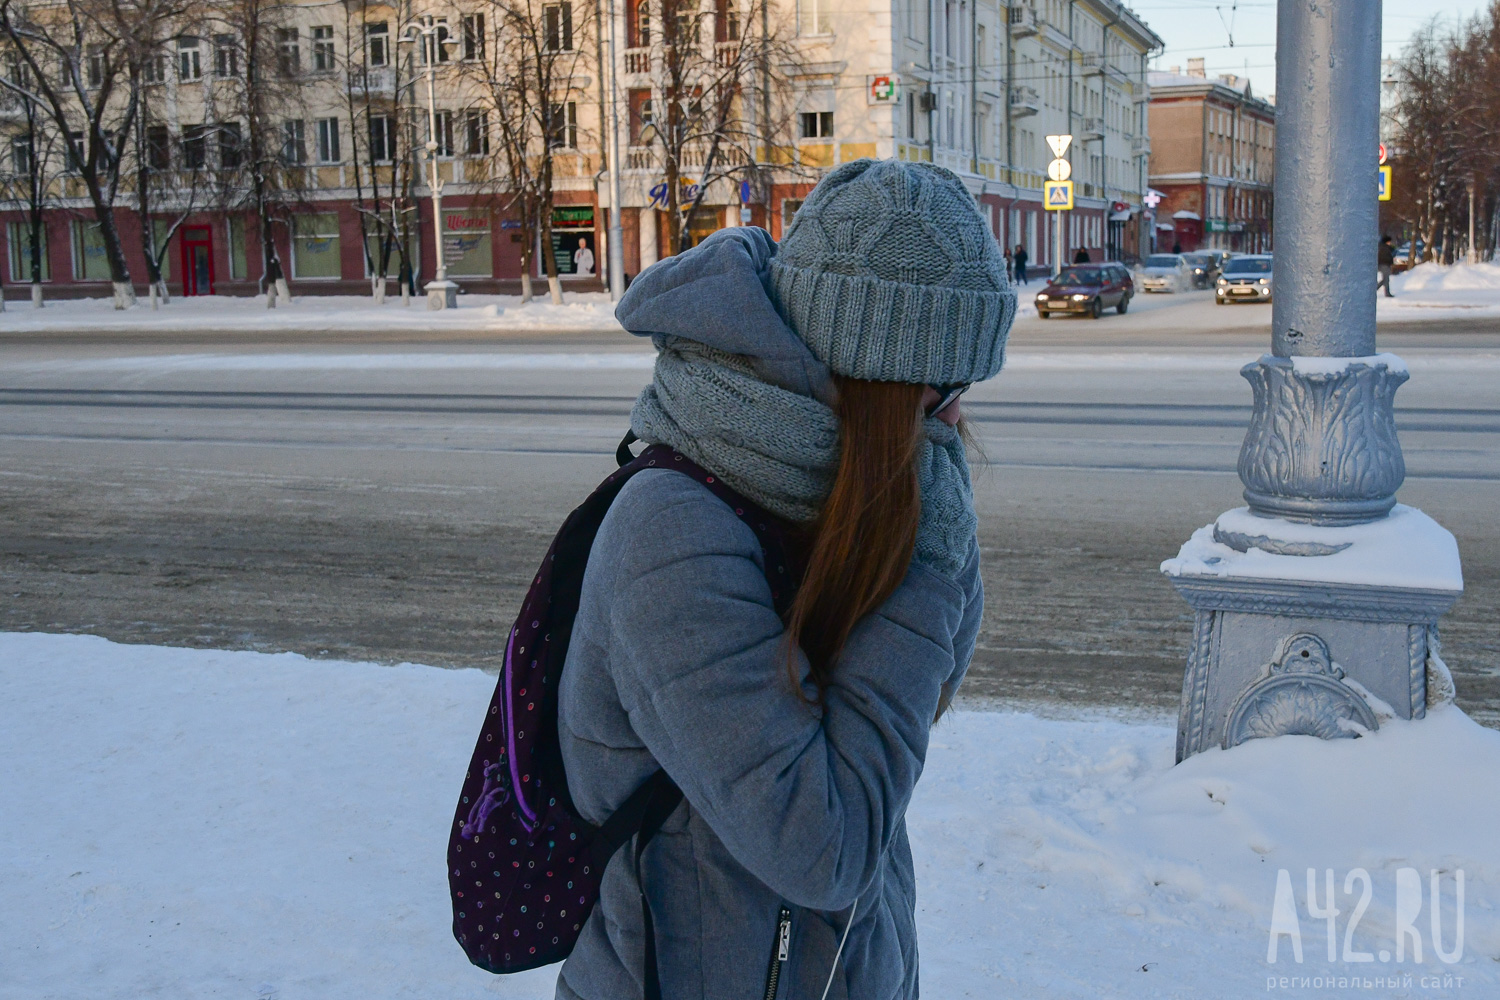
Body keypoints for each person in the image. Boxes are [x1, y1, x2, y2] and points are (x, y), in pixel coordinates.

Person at [555, 159, 1013, 1000]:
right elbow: (823, 847)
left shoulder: (838, 488)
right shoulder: (672, 532)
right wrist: (927, 565)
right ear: (882, 385)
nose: (960, 420)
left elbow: (923, 699)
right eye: (947, 393)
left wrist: (927, 533)